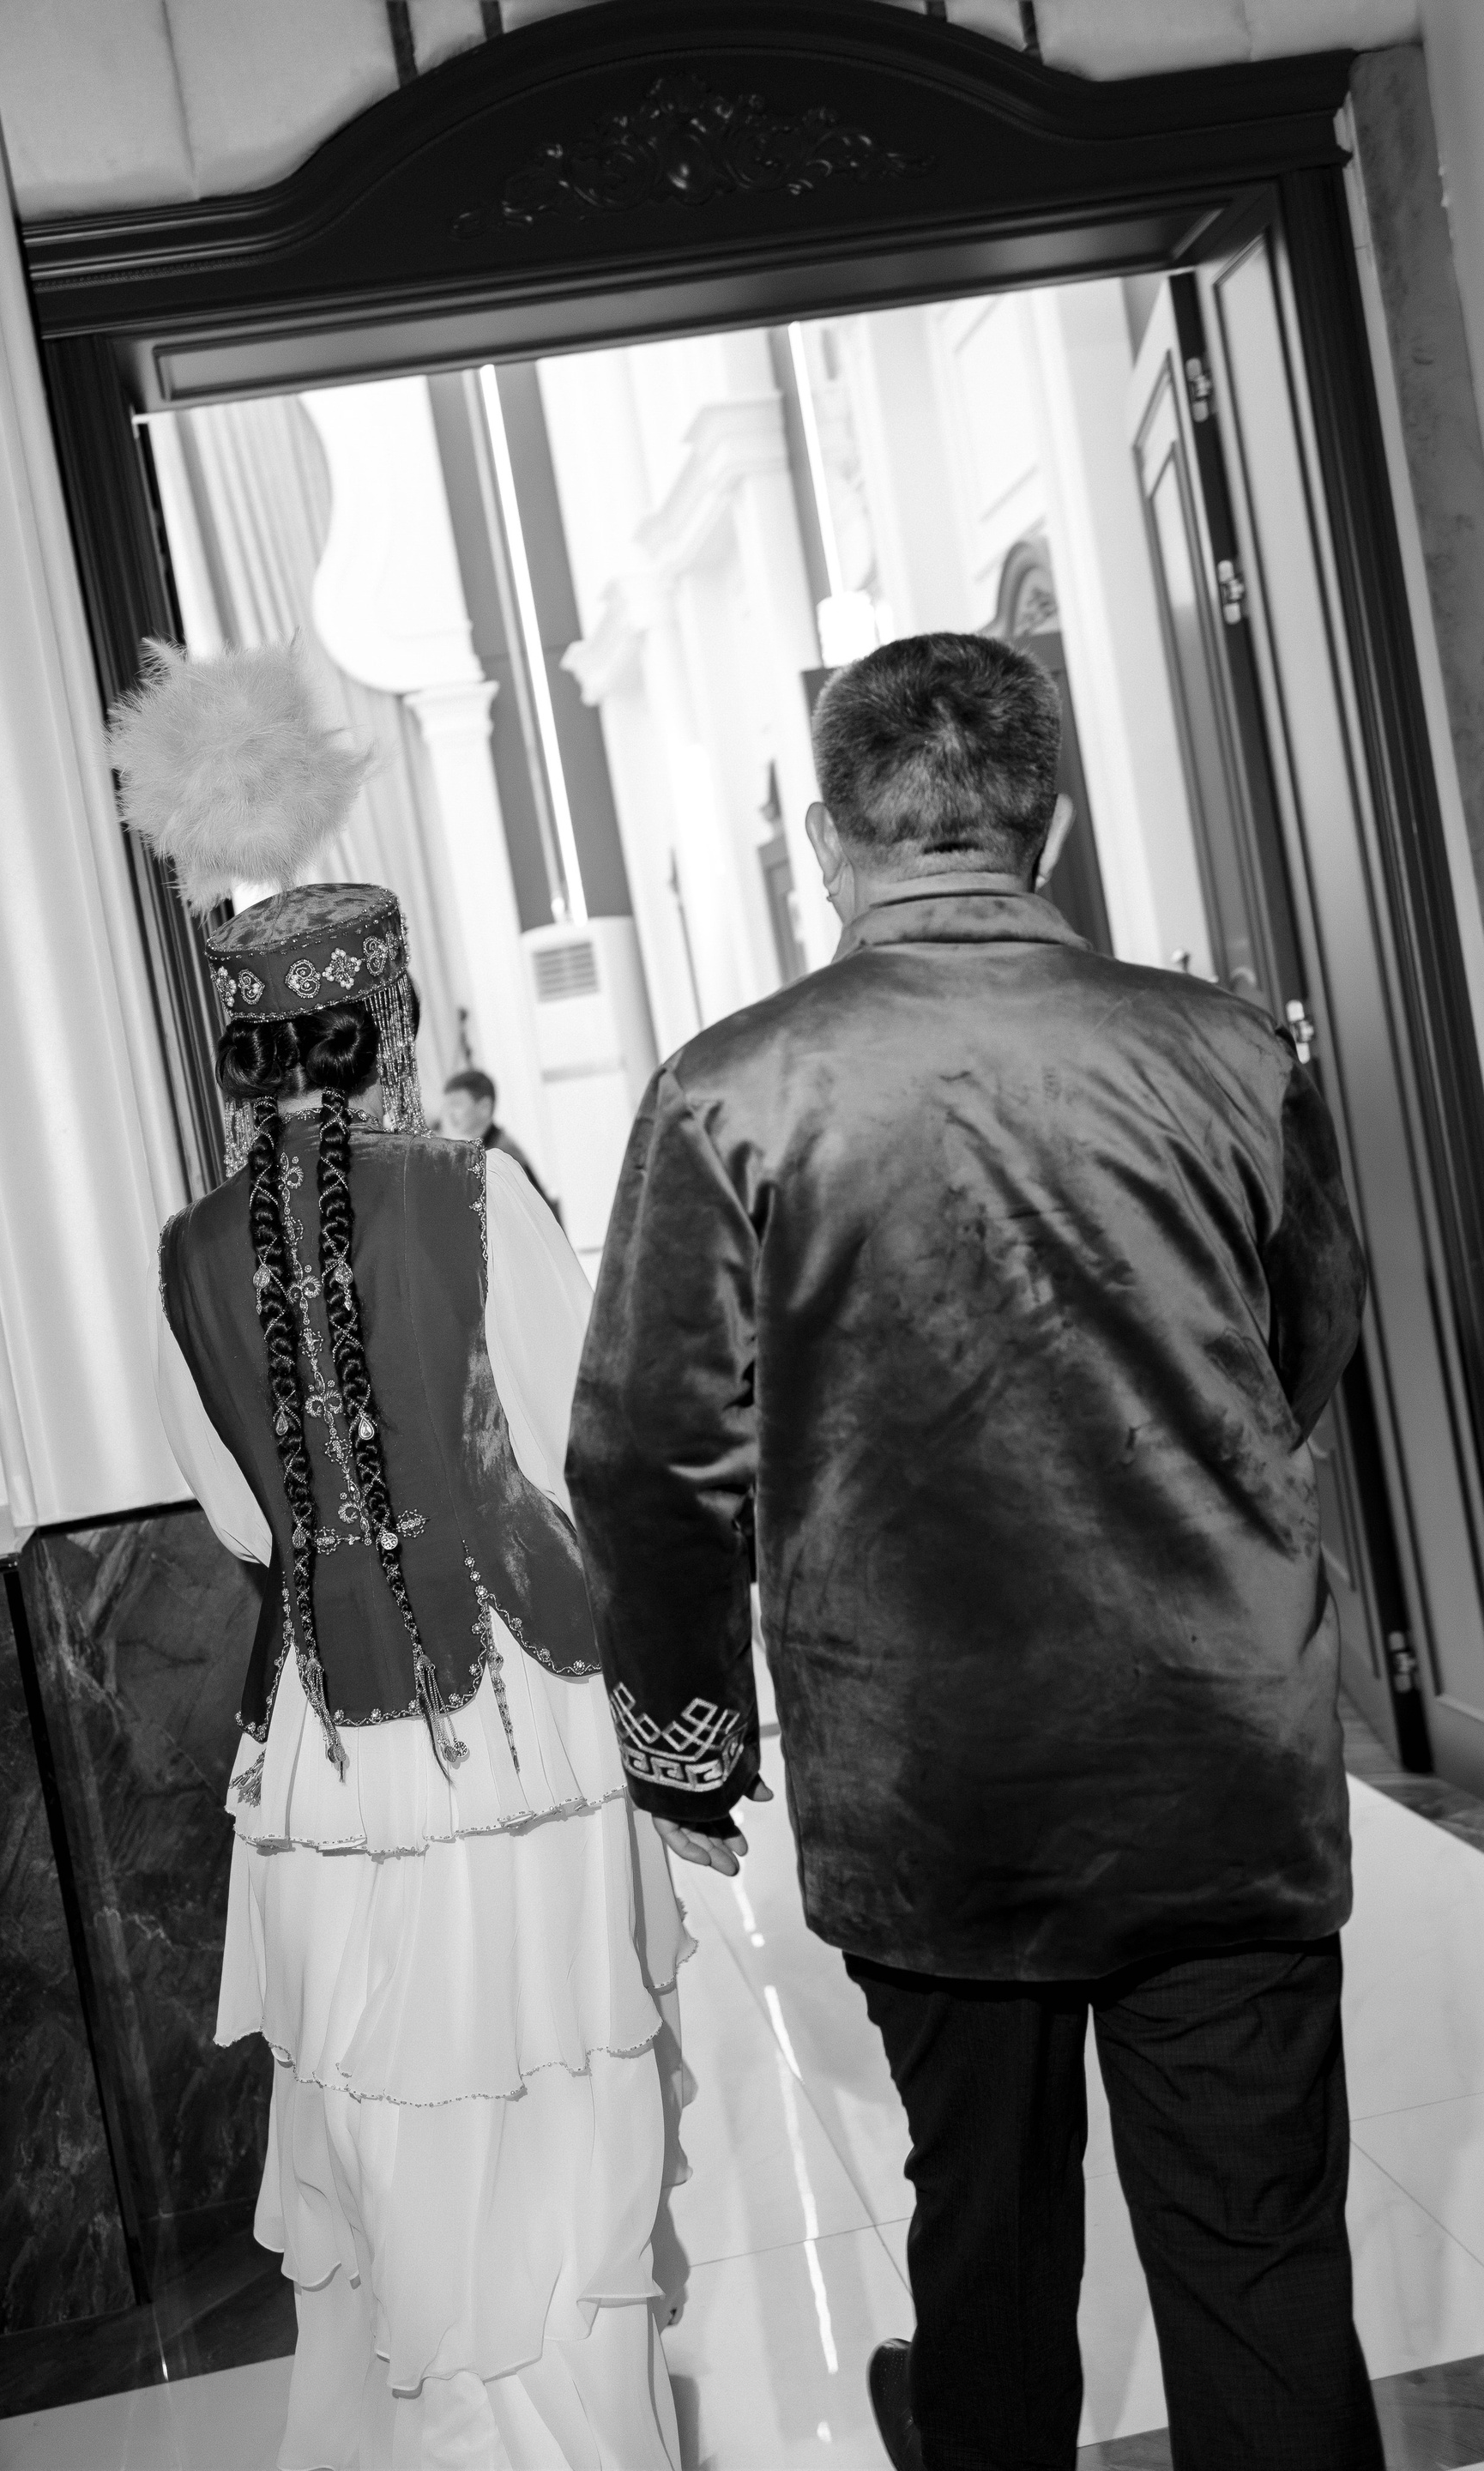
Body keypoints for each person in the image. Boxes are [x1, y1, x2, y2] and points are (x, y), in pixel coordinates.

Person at [565, 631, 1380, 2471]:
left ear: (827, 842)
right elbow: (1307, 1331)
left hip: (930, 1779)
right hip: (1217, 1753)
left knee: (988, 2238)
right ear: (1053, 826)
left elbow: (646, 1461)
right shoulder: (1228, 1053)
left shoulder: (729, 1091)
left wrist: (687, 1748)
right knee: (1259, 2258)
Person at [115, 643, 689, 2471]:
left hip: (324, 1754)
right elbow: (590, 1442)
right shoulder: (473, 1190)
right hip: (517, 1721)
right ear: (397, 1016)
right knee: (554, 2118)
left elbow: (235, 1523)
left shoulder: (185, 1252)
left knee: (389, 2128)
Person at [442, 1067, 557, 1213]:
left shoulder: (502, 1154)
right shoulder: (490, 1149)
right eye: (447, 1106)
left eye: (456, 1104)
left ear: (484, 1107)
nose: (449, 1114)